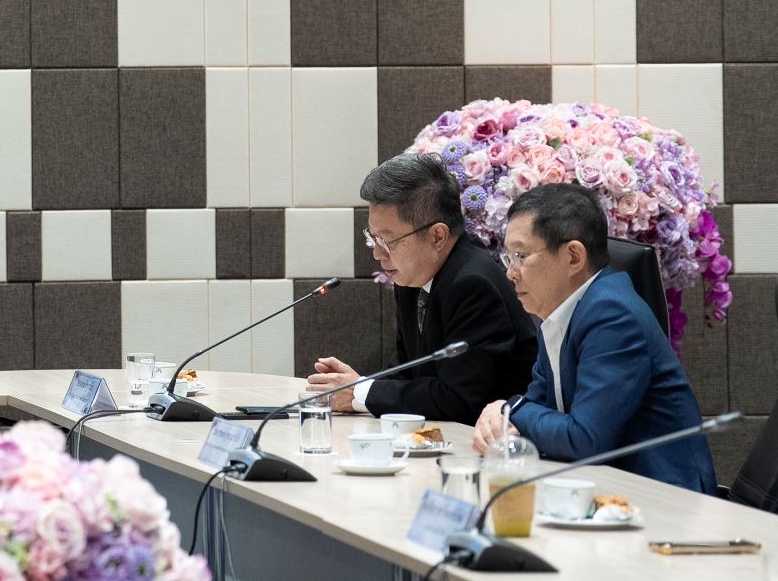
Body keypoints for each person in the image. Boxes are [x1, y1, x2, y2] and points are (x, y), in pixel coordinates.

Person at [471, 183, 716, 493]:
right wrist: (504, 419)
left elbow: (586, 439)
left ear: (574, 257)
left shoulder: (612, 315)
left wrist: (510, 409)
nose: (510, 272)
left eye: (521, 256)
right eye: (509, 258)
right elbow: (539, 406)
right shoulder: (561, 309)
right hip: (609, 486)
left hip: (665, 495)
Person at [305, 154, 537, 423]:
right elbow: (408, 371)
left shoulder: (473, 284)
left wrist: (361, 393)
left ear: (437, 236)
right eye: (373, 237)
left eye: (387, 240)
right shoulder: (416, 275)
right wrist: (353, 387)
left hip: (499, 439)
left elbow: (458, 399)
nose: (377, 253)